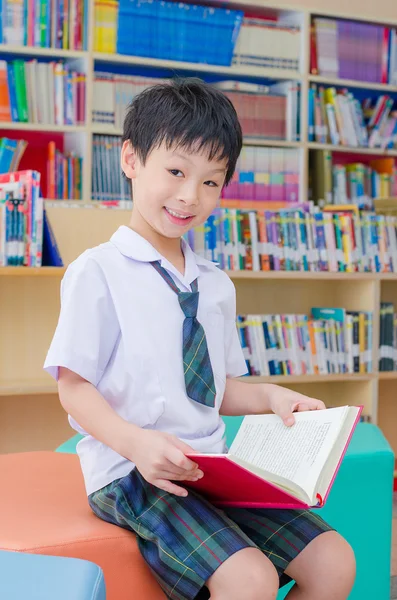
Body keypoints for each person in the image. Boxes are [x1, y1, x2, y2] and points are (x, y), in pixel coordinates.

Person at [44, 77, 355, 600]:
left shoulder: (214, 284)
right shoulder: (96, 272)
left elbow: (220, 386)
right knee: (249, 579)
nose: (191, 196)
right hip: (133, 473)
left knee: (335, 561)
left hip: (213, 469)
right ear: (131, 160)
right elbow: (73, 388)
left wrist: (274, 398)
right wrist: (137, 444)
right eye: (175, 171)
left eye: (211, 182)